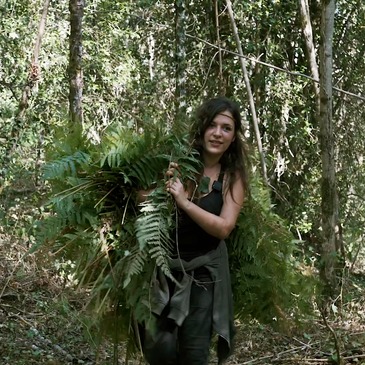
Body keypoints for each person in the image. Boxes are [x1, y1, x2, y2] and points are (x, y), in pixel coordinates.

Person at [141, 96, 249, 365]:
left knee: (194, 352)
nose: (218, 133)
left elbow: (224, 228)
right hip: (163, 268)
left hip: (204, 273)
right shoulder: (176, 161)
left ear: (234, 137)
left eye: (226, 128)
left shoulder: (232, 177)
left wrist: (184, 202)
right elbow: (139, 198)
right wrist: (162, 190)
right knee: (158, 350)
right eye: (212, 125)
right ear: (202, 129)